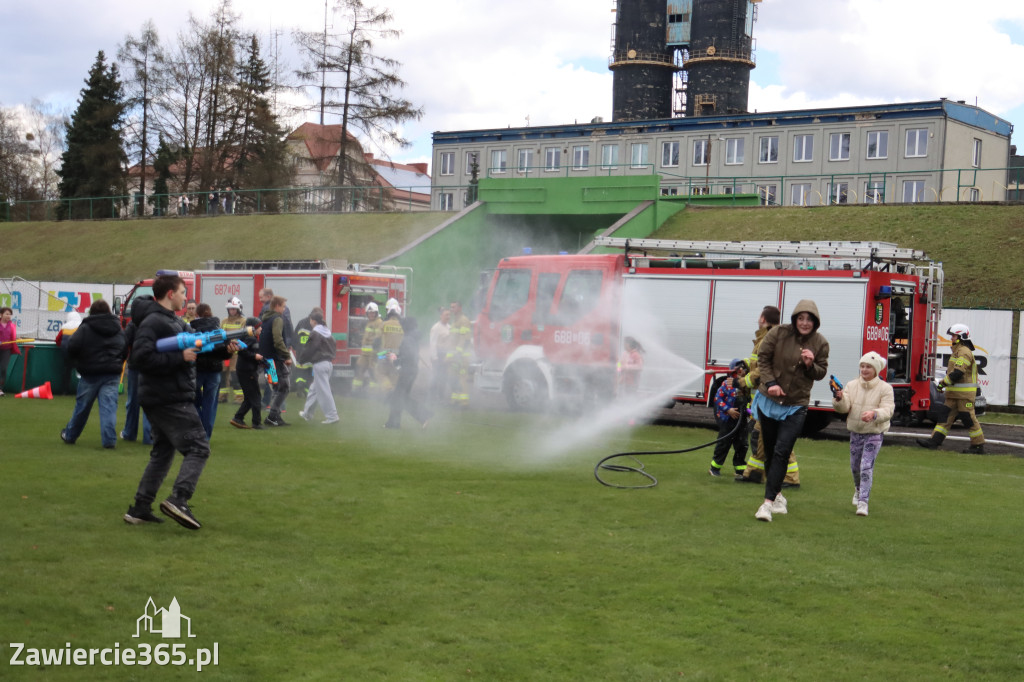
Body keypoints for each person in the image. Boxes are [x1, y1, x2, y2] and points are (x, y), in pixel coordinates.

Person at [123, 274, 236, 529]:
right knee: (199, 447)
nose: (186, 298)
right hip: (168, 397)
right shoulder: (153, 322)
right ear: (170, 294)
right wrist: (179, 358)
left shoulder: (174, 321)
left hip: (166, 396)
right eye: (183, 292)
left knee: (162, 453)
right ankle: (179, 499)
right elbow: (140, 359)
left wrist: (223, 349)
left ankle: (140, 508)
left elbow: (198, 346)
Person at [752, 300, 829, 522]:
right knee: (769, 449)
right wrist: (770, 383)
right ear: (795, 319)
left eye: (809, 319)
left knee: (782, 451)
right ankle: (776, 495)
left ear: (815, 321)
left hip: (796, 405)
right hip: (770, 400)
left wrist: (809, 364)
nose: (805, 323)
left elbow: (820, 372)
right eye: (801, 318)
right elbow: (763, 360)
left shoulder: (821, 343)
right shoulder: (778, 333)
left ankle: (766, 505)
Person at [736, 306, 801, 488]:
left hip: (771, 398)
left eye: (759, 316)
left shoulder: (769, 338)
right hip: (764, 399)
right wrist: (744, 363)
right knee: (761, 437)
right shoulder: (766, 337)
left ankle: (790, 478)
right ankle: (755, 473)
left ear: (763, 318)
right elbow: (756, 361)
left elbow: (763, 369)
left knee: (779, 439)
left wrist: (741, 383)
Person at [833, 351, 895, 517]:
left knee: (866, 466)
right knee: (855, 467)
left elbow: (888, 410)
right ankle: (858, 489)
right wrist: (839, 399)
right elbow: (844, 408)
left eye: (868, 366)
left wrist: (874, 414)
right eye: (862, 366)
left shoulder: (886, 389)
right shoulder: (852, 385)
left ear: (876, 369)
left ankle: (863, 502)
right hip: (856, 431)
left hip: (874, 432)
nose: (864, 369)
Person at [60, 300, 126, 449]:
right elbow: (124, 349)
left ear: (92, 312)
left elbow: (72, 346)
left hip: (90, 373)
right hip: (112, 373)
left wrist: (79, 362)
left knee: (82, 408)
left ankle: (70, 435)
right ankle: (109, 440)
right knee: (109, 408)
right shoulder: (118, 328)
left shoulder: (85, 327)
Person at [917, 323, 986, 454]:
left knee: (968, 418)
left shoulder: (964, 352)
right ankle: (934, 442)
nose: (951, 338)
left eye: (954, 336)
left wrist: (943, 383)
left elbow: (958, 373)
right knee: (944, 417)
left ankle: (978, 445)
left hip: (964, 396)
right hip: (954, 395)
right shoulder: (957, 352)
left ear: (961, 337)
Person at [190, 303, 232, 439]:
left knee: (193, 401)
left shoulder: (193, 329)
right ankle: (206, 435)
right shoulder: (219, 330)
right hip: (214, 370)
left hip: (197, 370)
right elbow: (226, 353)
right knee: (210, 404)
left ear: (197, 314)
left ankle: (198, 430)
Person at [384, 316, 431, 429]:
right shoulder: (412, 337)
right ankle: (393, 423)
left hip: (407, 371)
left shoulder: (407, 339)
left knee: (400, 397)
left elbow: (408, 356)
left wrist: (395, 360)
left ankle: (423, 415)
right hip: (411, 370)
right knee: (398, 397)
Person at [709, 359, 749, 478]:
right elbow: (717, 399)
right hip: (728, 420)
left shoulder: (746, 385)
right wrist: (728, 410)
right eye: (739, 368)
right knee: (724, 443)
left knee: (742, 444)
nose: (742, 371)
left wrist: (751, 412)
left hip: (741, 420)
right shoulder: (727, 384)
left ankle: (740, 469)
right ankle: (714, 468)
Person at [298, 311, 339, 424]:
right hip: (328, 364)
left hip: (320, 364)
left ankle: (332, 416)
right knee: (314, 389)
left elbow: (309, 348)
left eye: (310, 320)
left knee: (324, 392)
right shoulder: (327, 331)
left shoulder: (315, 332)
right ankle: (307, 413)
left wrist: (302, 360)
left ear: (313, 321)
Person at [120, 301, 152, 444]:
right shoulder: (154, 324)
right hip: (151, 366)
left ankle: (130, 432)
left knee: (133, 400)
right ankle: (148, 436)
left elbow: (124, 343)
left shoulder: (133, 324)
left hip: (134, 366)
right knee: (149, 401)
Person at [260, 295, 294, 427]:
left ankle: (275, 417)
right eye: (283, 306)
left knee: (275, 387)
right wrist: (286, 356)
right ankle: (273, 415)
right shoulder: (277, 319)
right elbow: (278, 340)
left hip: (267, 359)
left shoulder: (266, 318)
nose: (284, 309)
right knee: (284, 387)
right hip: (276, 359)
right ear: (277, 306)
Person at [230, 317, 265, 429]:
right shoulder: (250, 338)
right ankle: (256, 423)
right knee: (256, 396)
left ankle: (238, 418)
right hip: (247, 371)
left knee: (250, 397)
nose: (261, 329)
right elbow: (242, 351)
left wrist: (260, 360)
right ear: (253, 328)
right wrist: (255, 356)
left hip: (245, 369)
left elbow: (249, 352)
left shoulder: (250, 338)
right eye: (259, 327)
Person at [220, 297, 247, 403]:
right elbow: (221, 336)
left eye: (234, 309)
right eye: (230, 309)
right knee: (223, 375)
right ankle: (222, 397)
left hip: (236, 354)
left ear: (239, 309)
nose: (232, 311)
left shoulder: (243, 321)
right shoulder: (224, 321)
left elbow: (244, 337)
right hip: (226, 353)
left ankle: (239, 398)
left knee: (235, 376)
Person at [353, 301, 383, 395]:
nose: (371, 314)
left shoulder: (379, 322)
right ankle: (356, 391)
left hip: (373, 353)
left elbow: (378, 338)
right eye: (369, 313)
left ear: (376, 313)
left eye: (373, 313)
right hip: (364, 353)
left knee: (372, 372)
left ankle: (372, 393)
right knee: (359, 369)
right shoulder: (369, 322)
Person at [448, 299, 473, 407]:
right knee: (453, 378)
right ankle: (455, 400)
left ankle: (464, 402)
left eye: (453, 307)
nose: (451, 309)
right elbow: (452, 340)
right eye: (451, 307)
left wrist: (457, 353)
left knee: (462, 378)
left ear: (459, 308)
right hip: (455, 356)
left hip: (462, 356)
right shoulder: (454, 322)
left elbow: (464, 339)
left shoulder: (464, 320)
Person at [378, 298, 404, 393]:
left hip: (384, 353)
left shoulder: (384, 324)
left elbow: (377, 339)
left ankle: (388, 389)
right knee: (395, 374)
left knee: (380, 372)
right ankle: (394, 391)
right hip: (397, 354)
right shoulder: (403, 326)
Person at [428, 307, 451, 400]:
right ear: (441, 316)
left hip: (446, 354)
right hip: (438, 354)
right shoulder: (436, 328)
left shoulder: (449, 327)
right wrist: (434, 357)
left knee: (444, 376)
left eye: (449, 315)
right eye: (446, 315)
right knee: (436, 376)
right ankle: (431, 397)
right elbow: (432, 343)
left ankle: (441, 396)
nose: (448, 317)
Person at [0, 306, 22, 396]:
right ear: (1, 315)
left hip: (7, 350)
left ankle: (0, 389)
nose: (8, 316)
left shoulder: (12, 325)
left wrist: (17, 338)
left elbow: (12, 336)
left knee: (3, 368)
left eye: (10, 314)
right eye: (6, 314)